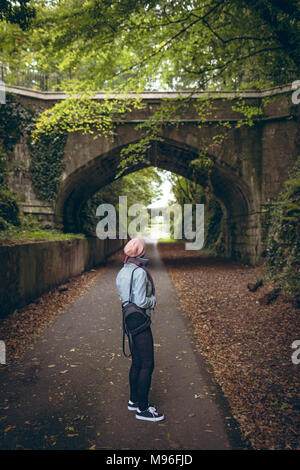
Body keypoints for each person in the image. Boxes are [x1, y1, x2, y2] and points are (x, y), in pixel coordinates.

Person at [116, 237, 165, 422]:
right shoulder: (140, 272)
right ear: (141, 252)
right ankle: (143, 409)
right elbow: (141, 301)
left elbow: (125, 298)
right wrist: (153, 300)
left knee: (137, 362)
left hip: (128, 318)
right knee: (147, 364)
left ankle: (134, 400)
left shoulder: (122, 271)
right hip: (140, 319)